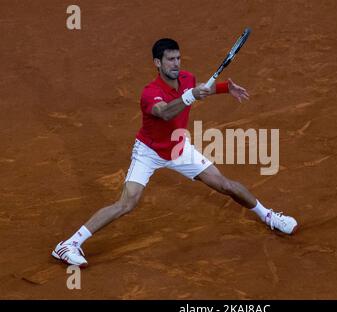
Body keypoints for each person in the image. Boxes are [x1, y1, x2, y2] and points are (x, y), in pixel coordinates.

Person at [52, 38, 298, 267]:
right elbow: (166, 112)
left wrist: (224, 88)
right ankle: (68, 244)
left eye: (178, 58)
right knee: (127, 203)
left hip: (179, 148)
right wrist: (191, 95)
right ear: (157, 63)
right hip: (148, 152)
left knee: (225, 185)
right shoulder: (150, 92)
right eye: (170, 59)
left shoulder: (187, 78)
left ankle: (269, 216)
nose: (176, 64)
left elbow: (202, 90)